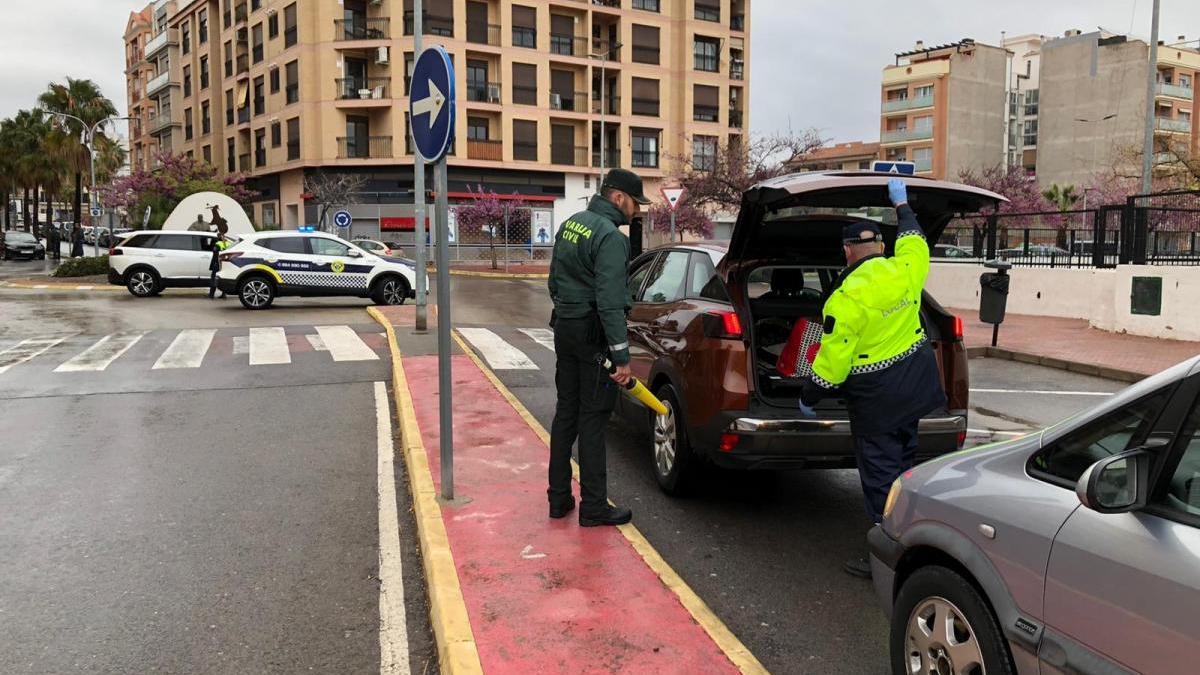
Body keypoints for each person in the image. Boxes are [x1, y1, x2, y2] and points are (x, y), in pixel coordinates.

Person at [799, 179, 946, 578]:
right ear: (881, 246)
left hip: (877, 402)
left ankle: (889, 557)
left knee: (880, 479)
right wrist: (902, 207)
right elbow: (915, 241)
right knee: (903, 467)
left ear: (847, 251)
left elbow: (834, 359)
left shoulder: (845, 297)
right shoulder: (905, 269)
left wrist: (810, 393)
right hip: (914, 392)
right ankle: (910, 535)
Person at [546, 168, 650, 527]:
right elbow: (610, 302)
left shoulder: (571, 224)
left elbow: (552, 281)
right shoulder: (611, 237)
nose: (636, 211)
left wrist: (568, 314)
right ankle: (593, 506)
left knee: (566, 414)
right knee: (593, 420)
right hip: (593, 336)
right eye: (636, 203)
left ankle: (558, 499)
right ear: (618, 197)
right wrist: (621, 357)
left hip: (565, 328)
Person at [208, 234, 230, 299]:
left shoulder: (218, 244)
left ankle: (211, 295)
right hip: (226, 264)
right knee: (224, 279)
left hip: (217, 264)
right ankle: (224, 294)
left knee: (214, 279)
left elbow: (215, 254)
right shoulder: (229, 244)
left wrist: (214, 264)